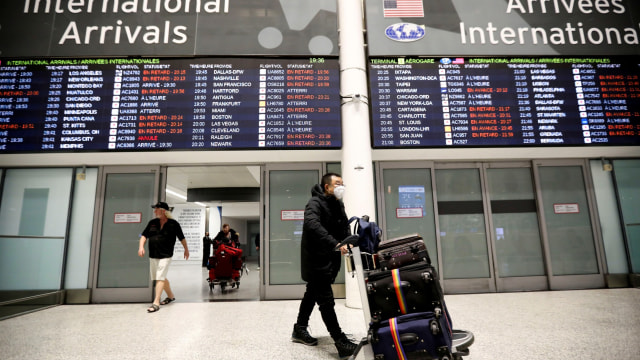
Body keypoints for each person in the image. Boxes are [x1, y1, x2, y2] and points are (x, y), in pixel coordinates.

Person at [291, 173, 357, 359]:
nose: (340, 186)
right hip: (316, 260)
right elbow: (312, 225)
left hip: (330, 259)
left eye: (342, 183)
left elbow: (343, 226)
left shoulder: (338, 204)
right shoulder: (315, 203)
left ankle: (299, 329)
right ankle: (340, 341)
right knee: (326, 301)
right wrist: (335, 244)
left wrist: (348, 241)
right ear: (327, 187)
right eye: (337, 184)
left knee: (312, 293)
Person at [137, 201, 190, 313]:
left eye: (156, 209)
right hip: (153, 254)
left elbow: (182, 238)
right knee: (159, 276)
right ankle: (170, 296)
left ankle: (156, 302)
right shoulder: (152, 223)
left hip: (166, 254)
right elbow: (144, 235)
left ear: (163, 211)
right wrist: (141, 247)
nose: (154, 211)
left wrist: (186, 249)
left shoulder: (173, 224)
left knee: (160, 277)